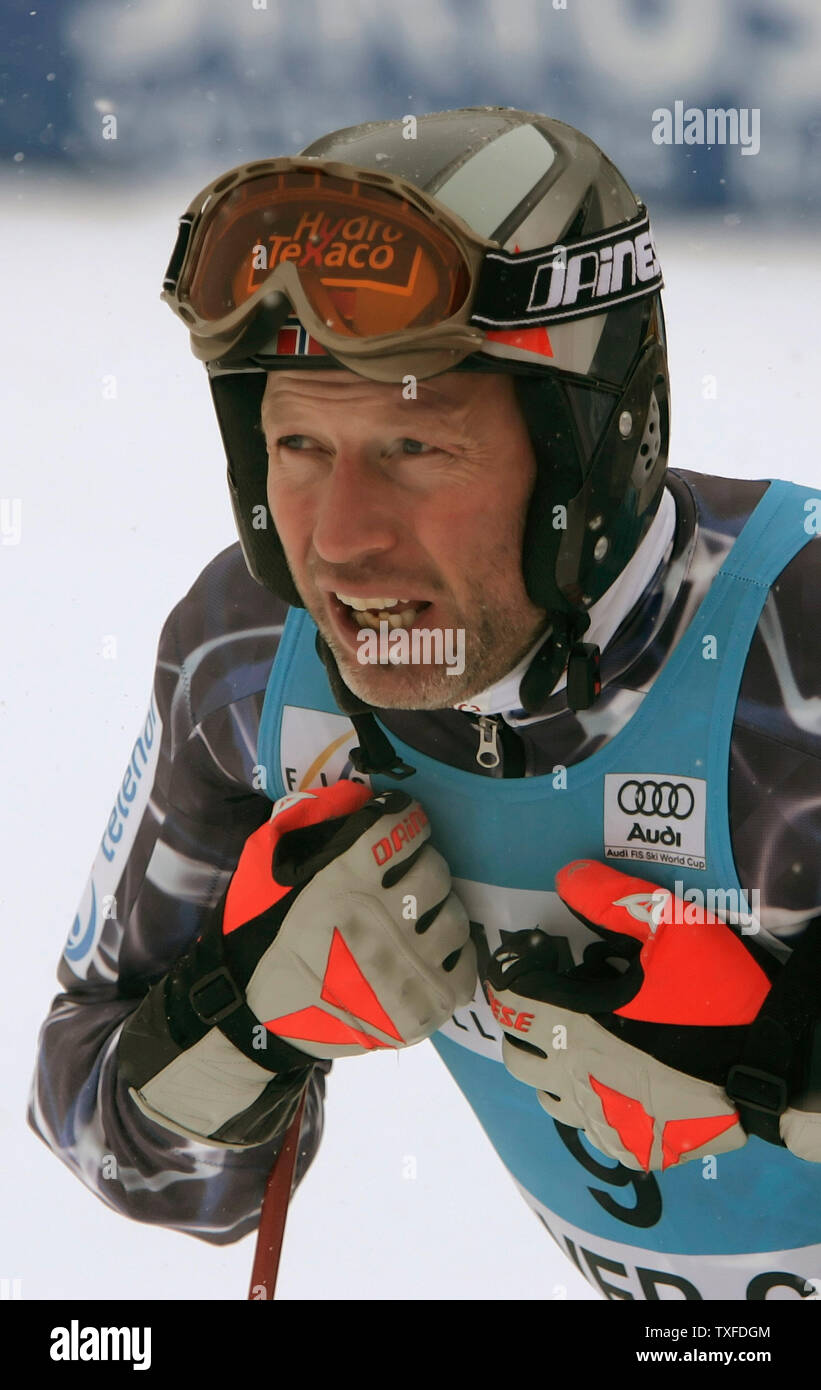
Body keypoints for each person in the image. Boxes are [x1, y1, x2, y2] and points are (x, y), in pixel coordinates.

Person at [28, 107, 821, 1301]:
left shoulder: (792, 646)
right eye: (297, 446)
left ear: (583, 456)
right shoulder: (252, 668)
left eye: (412, 447)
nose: (340, 542)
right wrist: (244, 1022)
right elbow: (94, 1115)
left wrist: (779, 1070)